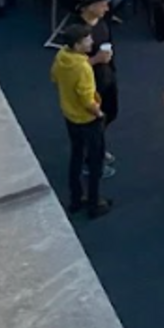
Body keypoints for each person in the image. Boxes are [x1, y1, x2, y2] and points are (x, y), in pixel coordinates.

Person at [50, 23, 111, 220]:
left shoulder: (62, 56)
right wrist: (99, 113)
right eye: (87, 39)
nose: (91, 42)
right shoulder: (83, 68)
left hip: (70, 116)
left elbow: (54, 77)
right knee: (95, 161)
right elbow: (86, 99)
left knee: (76, 155)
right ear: (77, 45)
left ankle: (76, 199)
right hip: (87, 119)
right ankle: (94, 202)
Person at [76, 0, 119, 174]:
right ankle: (92, 161)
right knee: (93, 123)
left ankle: (97, 147)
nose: (107, 8)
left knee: (109, 114)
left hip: (107, 78)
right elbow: (73, 65)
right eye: (103, 4)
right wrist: (96, 60)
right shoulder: (78, 32)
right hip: (89, 85)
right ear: (90, 6)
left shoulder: (102, 23)